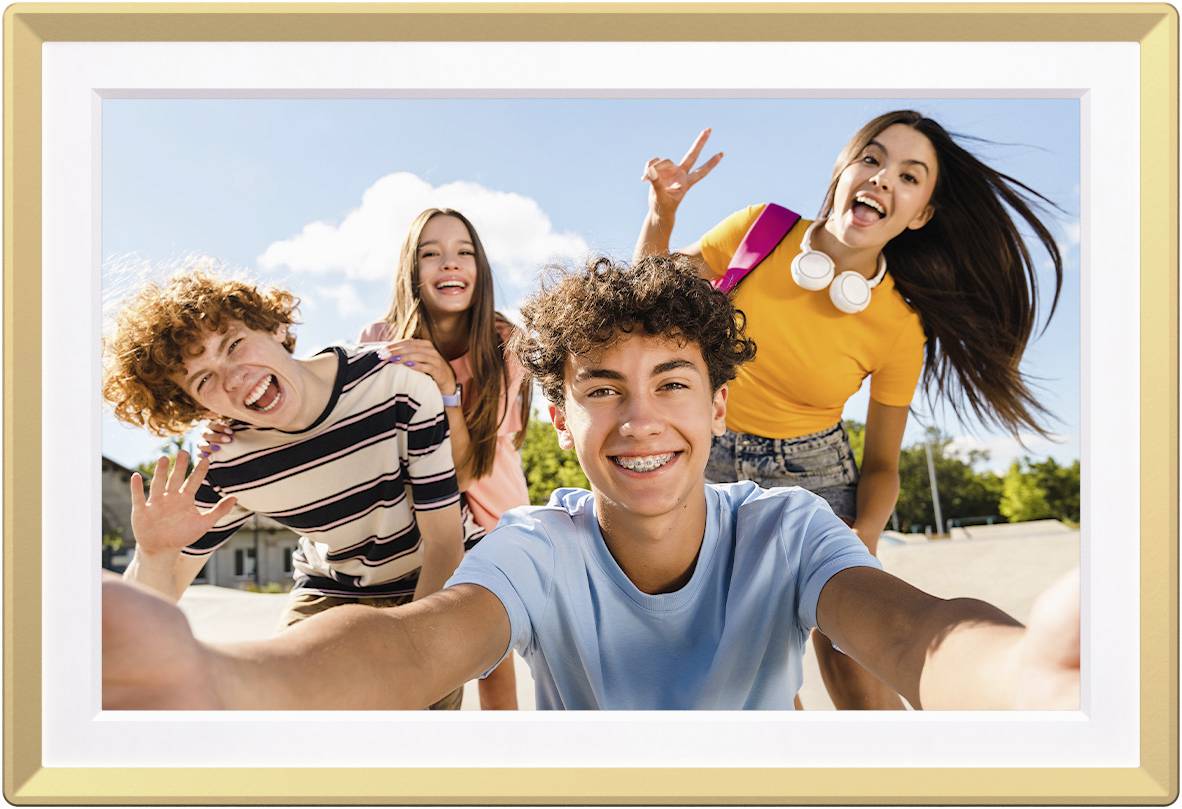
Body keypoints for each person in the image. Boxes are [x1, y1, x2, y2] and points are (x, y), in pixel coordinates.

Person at [102, 255, 1079, 712]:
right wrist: (216, 679)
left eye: (673, 384)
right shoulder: (540, 543)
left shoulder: (783, 526)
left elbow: (916, 629)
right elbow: (410, 643)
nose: (641, 416)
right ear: (563, 420)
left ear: (720, 410)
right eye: (603, 390)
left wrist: (1022, 675)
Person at [633, 111, 1065, 710]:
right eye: (872, 158)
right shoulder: (760, 230)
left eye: (909, 176)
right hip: (705, 465)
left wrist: (863, 537)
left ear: (920, 215)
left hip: (816, 478)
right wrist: (662, 213)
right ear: (842, 170)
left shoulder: (897, 327)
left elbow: (882, 464)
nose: (883, 178)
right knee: (738, 680)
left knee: (858, 673)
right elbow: (642, 302)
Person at [200, 209, 529, 710]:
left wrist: (446, 391)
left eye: (464, 252)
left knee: (489, 659)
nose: (450, 264)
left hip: (485, 507)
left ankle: (506, 772)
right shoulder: (380, 337)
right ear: (411, 269)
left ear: (480, 268)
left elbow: (469, 470)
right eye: (431, 254)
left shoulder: (505, 344)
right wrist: (230, 423)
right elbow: (321, 413)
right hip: (413, 509)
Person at [102, 271, 474, 709]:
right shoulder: (228, 464)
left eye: (234, 344)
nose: (233, 378)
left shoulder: (395, 385)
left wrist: (416, 656)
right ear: (199, 408)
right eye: (204, 380)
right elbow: (146, 616)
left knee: (414, 738)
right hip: (331, 590)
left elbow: (445, 542)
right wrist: (155, 554)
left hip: (429, 579)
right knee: (287, 728)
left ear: (274, 327)